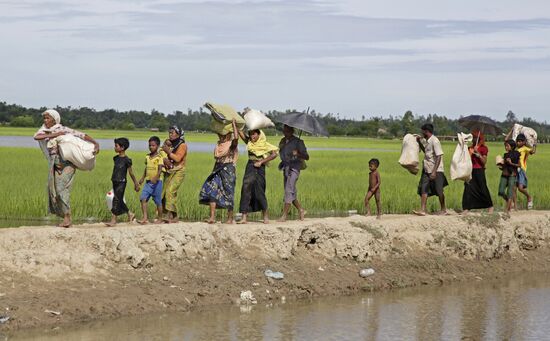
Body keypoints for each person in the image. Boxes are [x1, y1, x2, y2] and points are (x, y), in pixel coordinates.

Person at [33, 109, 99, 227]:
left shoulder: (63, 129)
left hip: (67, 164)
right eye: (45, 118)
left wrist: (95, 143)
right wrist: (55, 135)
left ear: (54, 120)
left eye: (48, 118)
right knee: (54, 191)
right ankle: (65, 215)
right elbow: (36, 137)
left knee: (62, 189)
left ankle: (67, 218)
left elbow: (82, 135)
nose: (45, 120)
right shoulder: (43, 131)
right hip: (54, 164)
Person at [199, 120, 239, 224]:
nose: (221, 137)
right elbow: (217, 158)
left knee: (228, 192)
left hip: (228, 170)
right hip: (217, 169)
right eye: (220, 135)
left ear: (228, 136)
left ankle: (230, 218)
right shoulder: (219, 145)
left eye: (224, 135)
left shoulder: (231, 144)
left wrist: (234, 124)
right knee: (212, 189)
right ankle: (212, 217)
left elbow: (236, 138)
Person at [237, 128, 279, 224]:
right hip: (250, 166)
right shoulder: (249, 142)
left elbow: (274, 154)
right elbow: (241, 134)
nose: (252, 136)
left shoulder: (264, 144)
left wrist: (261, 162)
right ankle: (244, 217)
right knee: (245, 188)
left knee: (260, 190)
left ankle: (265, 216)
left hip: (260, 168)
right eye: (251, 134)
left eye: (254, 134)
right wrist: (238, 124)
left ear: (259, 135)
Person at [413, 123, 448, 216]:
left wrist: (434, 172)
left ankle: (443, 209)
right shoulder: (427, 141)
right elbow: (426, 152)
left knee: (439, 190)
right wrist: (419, 142)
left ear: (426, 131)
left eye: (422, 131)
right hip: (426, 168)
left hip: (436, 170)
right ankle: (423, 210)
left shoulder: (435, 141)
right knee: (423, 188)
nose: (421, 133)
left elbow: (439, 156)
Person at [278, 124, 309, 222]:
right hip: (286, 168)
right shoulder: (282, 141)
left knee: (288, 189)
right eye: (284, 131)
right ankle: (301, 210)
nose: (285, 133)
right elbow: (282, 154)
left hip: (295, 168)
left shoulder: (298, 142)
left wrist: (298, 153)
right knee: (291, 192)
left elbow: (307, 157)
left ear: (292, 131)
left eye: (287, 131)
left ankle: (284, 216)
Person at [105, 138, 139, 227]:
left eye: (116, 146)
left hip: (122, 182)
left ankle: (113, 220)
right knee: (119, 200)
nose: (114, 147)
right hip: (115, 181)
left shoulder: (127, 160)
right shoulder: (115, 158)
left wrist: (136, 183)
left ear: (122, 147)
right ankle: (130, 214)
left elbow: (130, 173)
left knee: (116, 199)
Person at [461, 130, 493, 214]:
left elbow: (484, 162)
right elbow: (465, 159)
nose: (473, 139)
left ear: (479, 138)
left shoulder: (483, 148)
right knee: (468, 188)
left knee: (482, 187)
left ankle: (490, 206)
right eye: (473, 137)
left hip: (479, 170)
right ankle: (466, 208)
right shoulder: (469, 148)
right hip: (470, 170)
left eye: (474, 137)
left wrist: (478, 153)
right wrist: (470, 153)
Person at [161, 126, 188, 223]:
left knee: (170, 191)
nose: (170, 135)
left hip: (179, 171)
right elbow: (161, 152)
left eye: (173, 133)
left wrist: (168, 151)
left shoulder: (182, 145)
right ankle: (173, 216)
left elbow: (177, 159)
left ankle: (169, 215)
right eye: (169, 133)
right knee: (163, 193)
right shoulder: (170, 144)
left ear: (179, 134)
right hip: (170, 170)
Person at [138, 136, 164, 224]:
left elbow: (160, 169)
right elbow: (146, 168)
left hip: (157, 183)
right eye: (149, 145)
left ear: (157, 146)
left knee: (157, 201)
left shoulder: (159, 157)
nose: (151, 147)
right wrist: (142, 178)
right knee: (143, 199)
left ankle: (160, 218)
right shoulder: (147, 156)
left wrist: (156, 177)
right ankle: (145, 217)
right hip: (148, 182)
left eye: (153, 145)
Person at [514, 133, 536, 209]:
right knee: (514, 188)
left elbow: (532, 152)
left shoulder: (525, 148)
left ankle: (529, 197)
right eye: (517, 141)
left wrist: (534, 143)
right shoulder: (515, 149)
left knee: (520, 188)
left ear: (524, 142)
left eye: (520, 141)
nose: (518, 142)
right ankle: (515, 206)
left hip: (521, 170)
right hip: (514, 169)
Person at [498, 139, 520, 213]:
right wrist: (500, 165)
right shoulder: (505, 155)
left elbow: (519, 165)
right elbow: (505, 166)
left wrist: (511, 163)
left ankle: (507, 210)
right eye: (505, 146)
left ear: (512, 146)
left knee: (510, 192)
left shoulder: (517, 154)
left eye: (507, 146)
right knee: (500, 191)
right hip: (504, 174)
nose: (506, 147)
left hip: (512, 175)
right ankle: (508, 201)